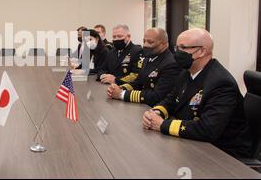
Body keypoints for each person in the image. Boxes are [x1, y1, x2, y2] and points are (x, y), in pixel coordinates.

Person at [142, 28, 252, 158]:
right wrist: (156, 112)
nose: (177, 53)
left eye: (183, 48)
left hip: (222, 152)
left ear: (202, 51)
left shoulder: (221, 83)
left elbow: (207, 129)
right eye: (177, 47)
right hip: (191, 142)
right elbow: (171, 99)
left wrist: (162, 124)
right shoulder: (186, 72)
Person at [106, 28, 181, 107]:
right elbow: (138, 83)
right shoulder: (147, 58)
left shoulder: (171, 64)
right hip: (142, 106)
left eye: (150, 42)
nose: (145, 45)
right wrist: (120, 88)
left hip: (155, 109)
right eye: (144, 41)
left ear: (164, 44)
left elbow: (157, 96)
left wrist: (122, 94)